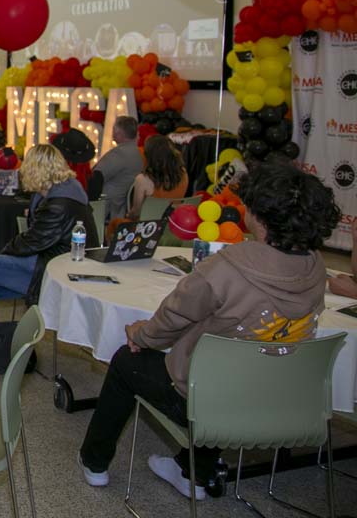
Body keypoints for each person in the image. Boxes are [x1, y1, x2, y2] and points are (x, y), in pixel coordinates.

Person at [79, 162, 335, 499]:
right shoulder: (316, 266)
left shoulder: (230, 266)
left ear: (259, 216)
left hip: (211, 399)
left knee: (128, 359)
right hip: (277, 395)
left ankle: (94, 462)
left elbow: (173, 315)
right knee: (235, 358)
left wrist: (141, 334)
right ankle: (191, 471)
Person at [0, 144, 98, 367]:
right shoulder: (68, 191)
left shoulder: (58, 204)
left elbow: (31, 242)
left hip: (53, 269)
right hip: (60, 263)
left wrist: (6, 251)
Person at [123, 134, 188, 220]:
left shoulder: (142, 179)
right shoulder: (183, 173)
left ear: (148, 155)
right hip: (173, 224)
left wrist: (127, 216)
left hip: (149, 228)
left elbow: (136, 212)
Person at [92, 116, 142, 221]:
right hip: (121, 206)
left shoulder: (118, 155)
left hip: (106, 209)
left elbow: (95, 177)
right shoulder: (138, 153)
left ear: (120, 133)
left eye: (114, 130)